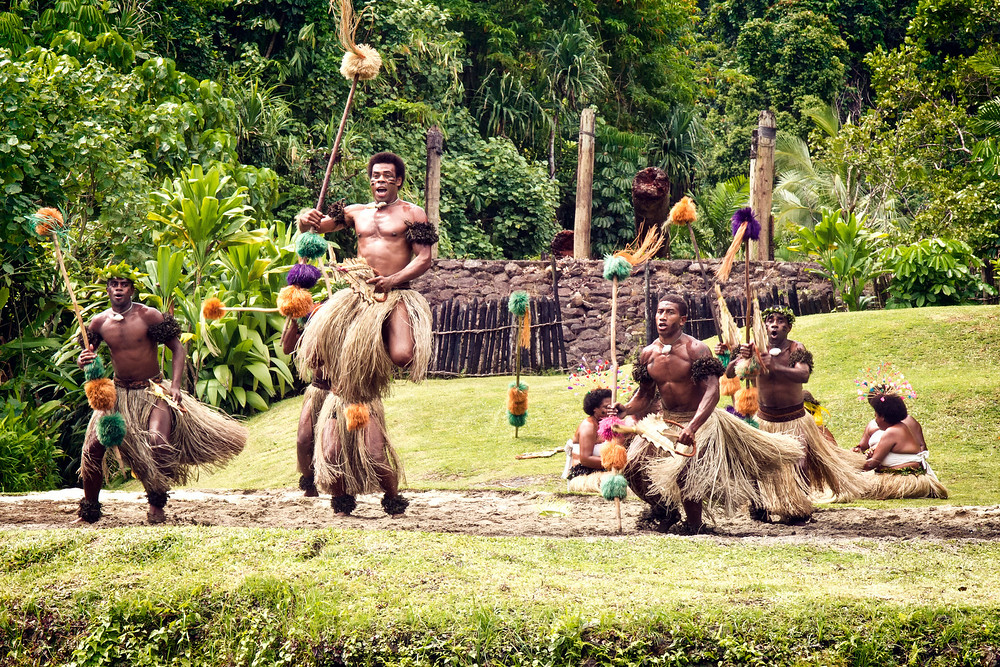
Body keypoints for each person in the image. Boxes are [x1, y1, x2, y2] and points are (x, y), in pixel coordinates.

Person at [294, 151, 437, 516]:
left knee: (403, 355)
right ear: (369, 179)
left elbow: (424, 259)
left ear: (399, 181)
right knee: (316, 350)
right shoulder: (356, 213)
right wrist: (303, 219)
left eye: (388, 176)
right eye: (375, 176)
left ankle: (369, 374)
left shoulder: (412, 214)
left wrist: (392, 280)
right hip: (356, 293)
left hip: (395, 294)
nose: (380, 181)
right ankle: (340, 394)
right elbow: (315, 230)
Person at [616, 295, 805, 533]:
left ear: (683, 319)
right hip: (666, 421)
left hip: (700, 421)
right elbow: (644, 395)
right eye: (660, 311)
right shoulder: (648, 354)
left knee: (686, 471)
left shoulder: (696, 349)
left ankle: (694, 525)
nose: (662, 317)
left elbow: (713, 391)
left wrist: (693, 427)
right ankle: (666, 511)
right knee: (633, 467)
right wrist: (625, 409)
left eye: (670, 312)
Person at [76, 266, 247, 524]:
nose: (119, 288)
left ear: (132, 289)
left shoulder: (148, 316)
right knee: (92, 450)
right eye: (114, 284)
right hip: (118, 394)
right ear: (108, 289)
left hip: (151, 391)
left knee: (157, 443)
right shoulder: (99, 323)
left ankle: (156, 505)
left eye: (124, 283)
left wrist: (175, 386)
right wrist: (84, 359)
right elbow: (89, 354)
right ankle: (90, 511)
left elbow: (177, 349)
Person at [719, 305, 867, 517]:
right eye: (770, 321)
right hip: (765, 420)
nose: (775, 324)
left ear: (788, 327)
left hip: (794, 418)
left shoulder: (796, 348)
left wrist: (774, 366)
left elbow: (803, 375)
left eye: (780, 321)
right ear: (764, 326)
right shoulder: (753, 348)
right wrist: (740, 357)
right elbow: (731, 372)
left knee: (799, 462)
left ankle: (800, 508)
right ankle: (759, 507)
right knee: (760, 463)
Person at [853, 393, 948, 498]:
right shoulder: (901, 427)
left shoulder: (891, 432)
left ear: (883, 417)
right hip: (904, 476)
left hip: (904, 479)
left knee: (857, 486)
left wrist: (850, 466)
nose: (875, 420)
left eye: (876, 416)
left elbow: (872, 464)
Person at [281, 314, 327, 497]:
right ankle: (309, 483)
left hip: (342, 393)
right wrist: (294, 319)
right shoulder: (313, 318)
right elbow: (287, 348)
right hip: (318, 389)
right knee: (303, 440)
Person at [563, 388, 614, 493]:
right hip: (585, 473)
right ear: (595, 409)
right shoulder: (589, 426)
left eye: (612, 406)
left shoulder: (610, 423)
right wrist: (614, 463)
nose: (610, 410)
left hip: (604, 469)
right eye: (606, 407)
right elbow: (585, 459)